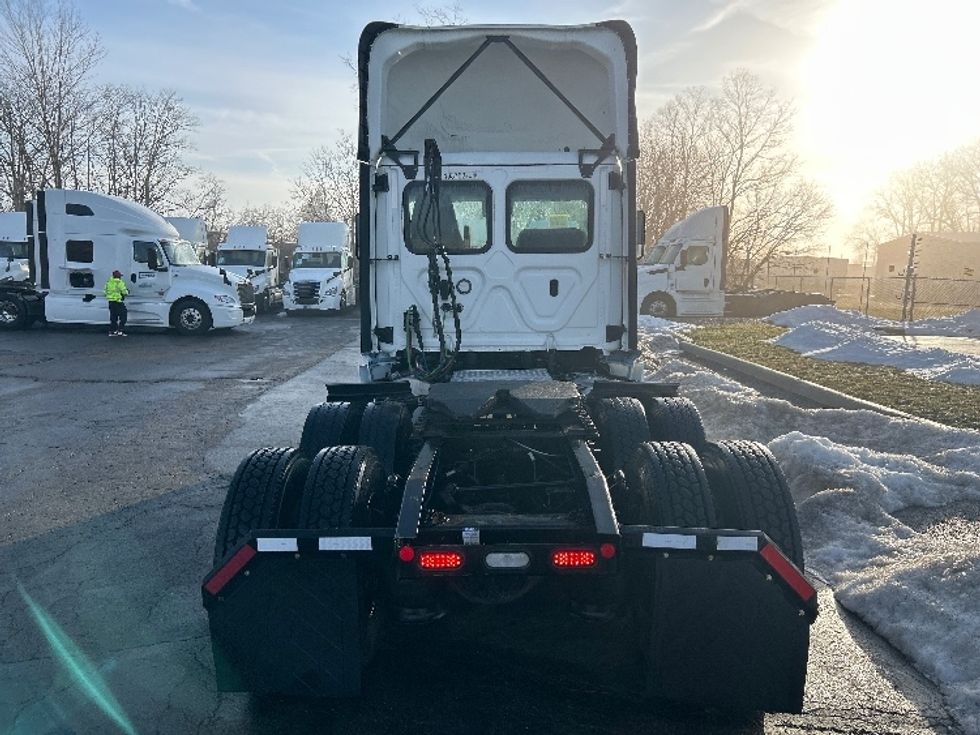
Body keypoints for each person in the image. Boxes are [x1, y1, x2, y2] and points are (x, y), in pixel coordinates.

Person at [104, 270, 129, 336]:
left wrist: (110, 296)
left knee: (113, 317)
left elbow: (105, 292)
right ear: (118, 276)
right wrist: (127, 292)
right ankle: (120, 330)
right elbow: (124, 291)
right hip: (118, 302)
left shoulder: (108, 282)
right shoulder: (119, 282)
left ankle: (113, 331)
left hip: (111, 302)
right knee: (123, 316)